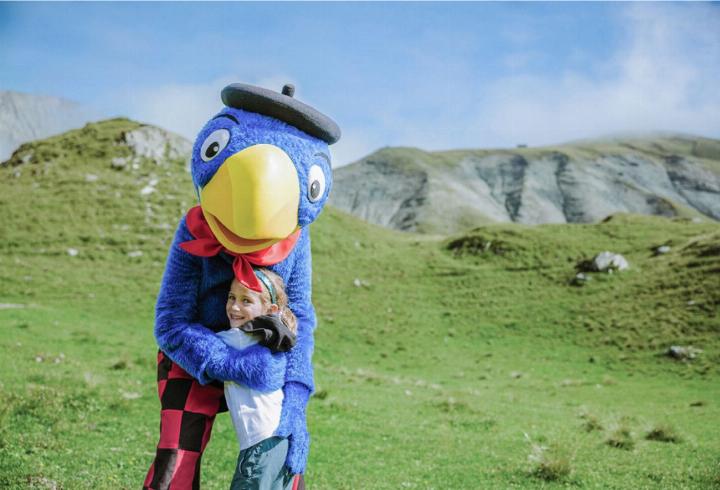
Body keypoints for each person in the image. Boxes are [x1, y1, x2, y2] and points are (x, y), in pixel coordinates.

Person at [218, 267, 300, 490]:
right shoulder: (270, 338)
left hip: (260, 443)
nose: (234, 307)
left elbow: (197, 346)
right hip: (283, 438)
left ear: (269, 309)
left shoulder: (238, 338)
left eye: (246, 301)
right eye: (231, 297)